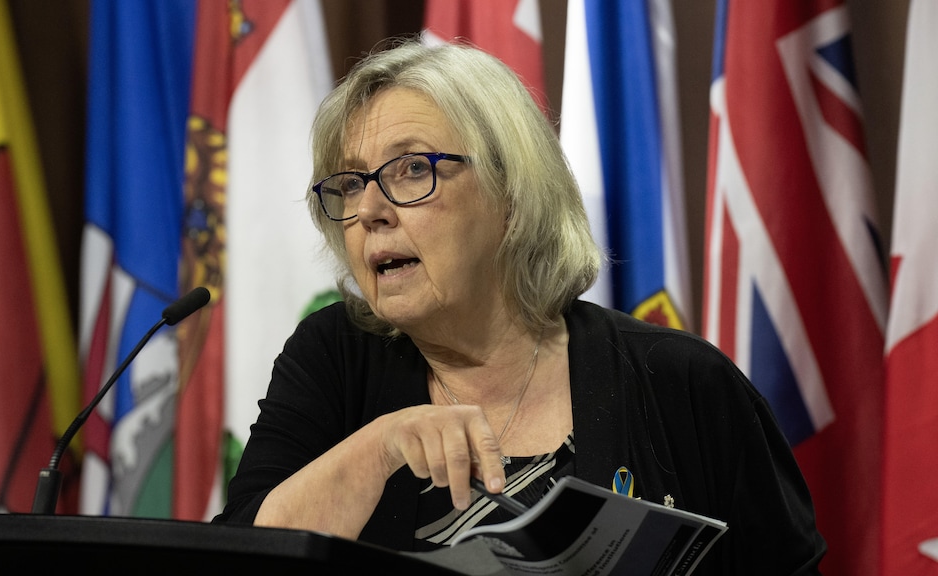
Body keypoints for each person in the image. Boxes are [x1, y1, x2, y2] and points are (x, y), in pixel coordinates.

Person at [214, 37, 826, 574]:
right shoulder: (335, 359)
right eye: (349, 184)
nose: (370, 211)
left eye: (408, 170)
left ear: (511, 193)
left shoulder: (683, 384)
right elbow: (236, 558)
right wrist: (381, 448)